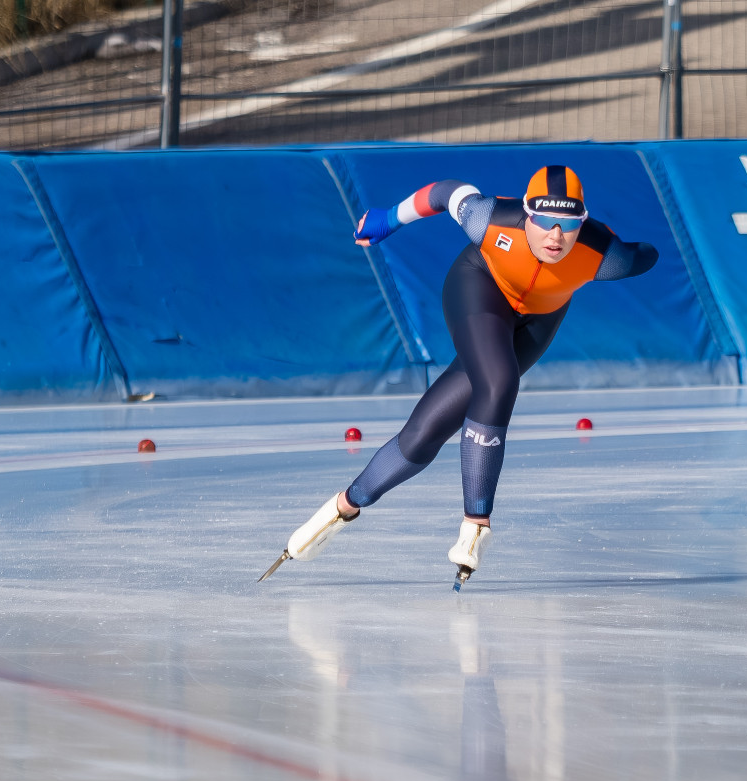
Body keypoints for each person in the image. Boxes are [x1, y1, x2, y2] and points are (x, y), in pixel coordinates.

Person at [260, 165, 659, 589]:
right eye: (544, 220)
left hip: (539, 320)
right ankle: (476, 524)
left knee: (425, 432)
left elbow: (646, 254)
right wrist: (390, 218)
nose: (555, 235)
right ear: (527, 214)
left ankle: (341, 507)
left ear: (583, 220)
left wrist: (623, 241)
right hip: (479, 286)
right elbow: (445, 192)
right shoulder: (489, 218)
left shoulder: (607, 256)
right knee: (499, 381)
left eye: (569, 222)